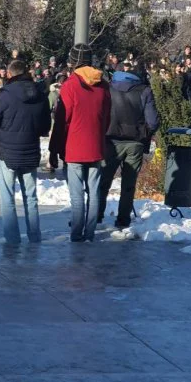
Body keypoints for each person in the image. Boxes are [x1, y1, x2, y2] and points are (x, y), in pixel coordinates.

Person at [0, 60, 51, 245]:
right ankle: (34, 236)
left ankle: (12, 239)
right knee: (31, 197)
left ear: (9, 74)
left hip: (7, 152)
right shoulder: (40, 94)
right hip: (30, 151)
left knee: (7, 198)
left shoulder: (4, 96)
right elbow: (46, 126)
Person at [51, 44, 111, 242]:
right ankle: (90, 232)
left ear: (73, 61)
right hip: (95, 145)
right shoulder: (103, 85)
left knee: (77, 196)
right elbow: (107, 117)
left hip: (74, 146)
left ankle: (76, 234)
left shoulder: (70, 85)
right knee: (94, 192)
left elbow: (62, 120)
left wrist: (56, 148)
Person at [97, 67, 159, 229]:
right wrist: (143, 133)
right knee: (128, 183)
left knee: (103, 180)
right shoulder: (144, 91)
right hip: (135, 142)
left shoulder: (108, 88)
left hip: (110, 141)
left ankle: (96, 215)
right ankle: (123, 219)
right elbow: (152, 122)